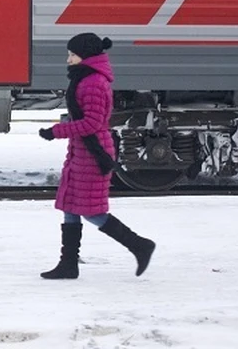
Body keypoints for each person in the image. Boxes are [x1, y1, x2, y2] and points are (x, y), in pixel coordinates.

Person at [37, 32, 156, 280]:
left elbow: (91, 123)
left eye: (72, 55)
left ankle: (139, 245)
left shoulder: (93, 83)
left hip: (93, 153)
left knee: (91, 211)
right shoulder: (84, 79)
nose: (68, 59)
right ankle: (68, 264)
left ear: (85, 56)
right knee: (70, 205)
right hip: (81, 151)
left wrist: (55, 131)